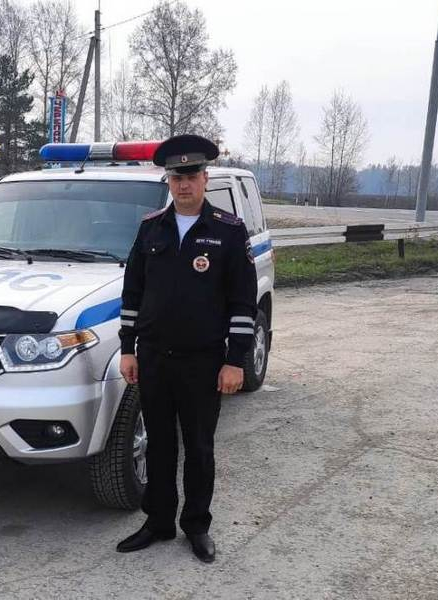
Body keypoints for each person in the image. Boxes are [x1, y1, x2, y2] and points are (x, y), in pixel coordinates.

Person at [116, 134, 257, 563]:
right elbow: (132, 293)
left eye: (191, 175)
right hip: (154, 359)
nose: (184, 184)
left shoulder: (228, 231)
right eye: (176, 177)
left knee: (198, 447)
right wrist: (127, 348)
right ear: (169, 181)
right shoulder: (150, 228)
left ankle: (196, 526)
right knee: (159, 445)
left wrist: (235, 361)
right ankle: (158, 521)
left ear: (205, 178)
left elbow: (243, 303)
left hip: (203, 362)